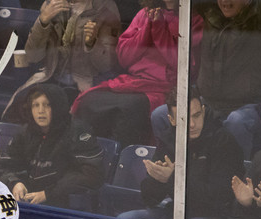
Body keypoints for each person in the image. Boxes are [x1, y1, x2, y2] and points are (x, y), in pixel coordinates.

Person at [152, 0, 261, 159]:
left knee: (236, 122)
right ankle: (170, 172)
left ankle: (235, 176)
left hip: (250, 107)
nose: (225, 1)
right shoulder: (211, 17)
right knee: (161, 115)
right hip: (211, 105)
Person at [71, 0, 203, 146]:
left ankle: (124, 160)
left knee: (130, 108)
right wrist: (147, 28)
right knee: (89, 100)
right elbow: (124, 58)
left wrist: (158, 28)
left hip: (164, 86)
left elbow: (181, 63)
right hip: (134, 81)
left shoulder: (193, 19)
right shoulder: (144, 14)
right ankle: (88, 153)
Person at [118, 86, 245, 219]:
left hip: (214, 217)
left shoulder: (223, 141)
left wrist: (172, 178)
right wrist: (157, 180)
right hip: (175, 212)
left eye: (196, 116)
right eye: (184, 118)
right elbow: (149, 200)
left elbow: (219, 199)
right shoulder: (168, 140)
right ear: (172, 120)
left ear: (203, 112)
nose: (192, 124)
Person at [1, 0, 121, 121]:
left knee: (72, 118)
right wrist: (43, 22)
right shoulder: (52, 3)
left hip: (86, 84)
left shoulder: (104, 7)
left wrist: (93, 43)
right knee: (18, 108)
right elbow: (33, 56)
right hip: (50, 77)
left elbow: (107, 65)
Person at [0, 83, 105, 212]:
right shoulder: (25, 132)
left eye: (47, 105)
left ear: (58, 106)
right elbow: (1, 166)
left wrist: (48, 193)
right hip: (27, 203)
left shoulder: (78, 132)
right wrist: (14, 183)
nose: (40, 110)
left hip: (65, 206)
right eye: (36, 105)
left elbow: (90, 174)